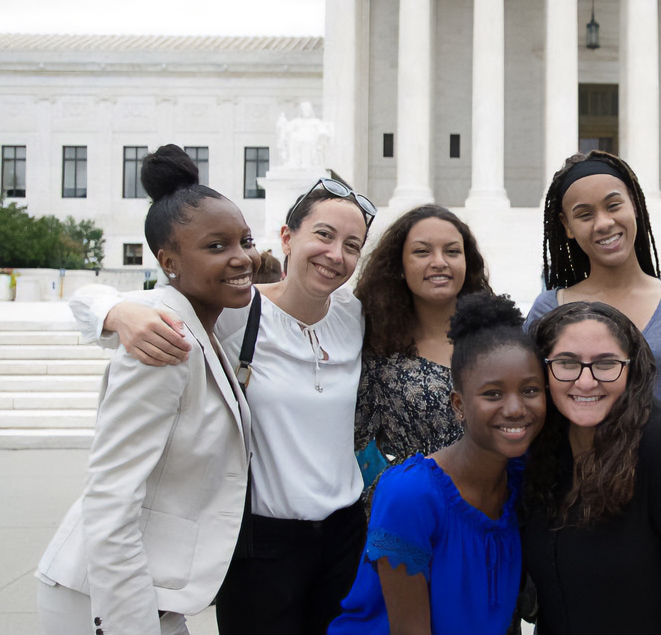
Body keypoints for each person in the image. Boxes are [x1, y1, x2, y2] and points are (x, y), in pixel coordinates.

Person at [68, 171, 379, 634]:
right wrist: (118, 313)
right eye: (324, 235)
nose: (336, 255)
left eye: (352, 245)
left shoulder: (352, 315)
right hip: (262, 541)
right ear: (287, 238)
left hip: (345, 535)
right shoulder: (236, 311)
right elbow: (86, 299)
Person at [36, 145, 255, 635]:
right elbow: (111, 500)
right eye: (216, 246)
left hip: (153, 592)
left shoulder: (207, 327)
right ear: (168, 261)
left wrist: (111, 309)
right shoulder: (162, 343)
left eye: (245, 240)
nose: (242, 257)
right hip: (101, 599)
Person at [329, 292, 546, 634]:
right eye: (492, 394)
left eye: (531, 390)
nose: (516, 408)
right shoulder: (411, 493)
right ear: (458, 405)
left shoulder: (522, 480)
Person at [523, 301, 661, 634]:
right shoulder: (544, 444)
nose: (586, 381)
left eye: (606, 364)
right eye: (567, 363)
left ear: (632, 369)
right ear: (544, 369)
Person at [525, 150, 661, 411]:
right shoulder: (548, 309)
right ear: (567, 225)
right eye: (584, 215)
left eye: (613, 206)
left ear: (634, 203)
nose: (603, 223)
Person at [354, 204, 492, 462]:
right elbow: (353, 439)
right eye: (422, 252)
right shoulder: (376, 349)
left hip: (500, 495)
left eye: (452, 251)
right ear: (400, 266)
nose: (439, 262)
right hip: (418, 497)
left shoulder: (498, 339)